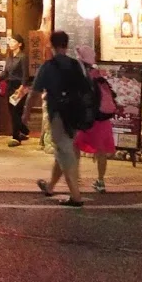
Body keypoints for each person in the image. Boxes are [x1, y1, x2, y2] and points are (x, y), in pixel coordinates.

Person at [32, 30, 90, 207]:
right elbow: (85, 88)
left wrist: (26, 113)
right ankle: (50, 187)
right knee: (63, 148)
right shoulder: (76, 65)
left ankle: (76, 195)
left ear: (52, 45)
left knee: (65, 150)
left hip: (58, 113)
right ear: (66, 44)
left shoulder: (48, 67)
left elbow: (35, 91)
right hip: (75, 114)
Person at [73, 45, 117, 193]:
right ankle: (100, 181)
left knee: (74, 146)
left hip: (89, 121)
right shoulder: (99, 76)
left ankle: (75, 178)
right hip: (103, 120)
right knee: (101, 152)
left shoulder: (83, 77)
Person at [0, 34, 30, 144]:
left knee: (16, 111)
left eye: (13, 41)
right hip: (10, 86)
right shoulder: (9, 57)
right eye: (10, 41)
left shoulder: (23, 57)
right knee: (12, 111)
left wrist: (21, 88)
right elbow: (5, 73)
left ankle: (16, 137)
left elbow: (25, 75)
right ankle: (23, 131)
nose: (10, 43)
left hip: (19, 87)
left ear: (19, 44)